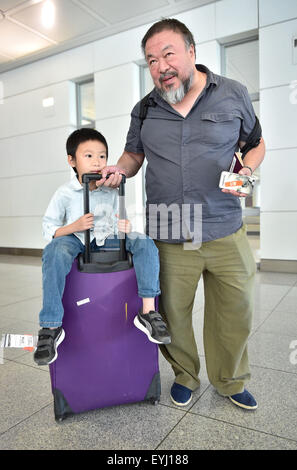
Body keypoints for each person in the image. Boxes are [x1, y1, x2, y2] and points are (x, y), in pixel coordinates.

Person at [98, 19, 266, 410]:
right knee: (171, 312)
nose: (161, 66)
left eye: (168, 53)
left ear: (192, 51)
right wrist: (118, 169)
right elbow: (133, 155)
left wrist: (248, 169)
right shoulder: (144, 109)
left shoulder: (233, 94)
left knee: (235, 310)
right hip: (171, 225)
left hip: (225, 223)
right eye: (152, 60)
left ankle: (230, 379)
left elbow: (256, 143)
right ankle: (186, 375)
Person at [34, 128, 171, 366]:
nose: (97, 161)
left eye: (102, 156)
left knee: (144, 242)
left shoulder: (111, 187)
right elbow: (49, 229)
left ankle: (148, 312)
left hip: (109, 236)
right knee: (55, 250)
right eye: (88, 156)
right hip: (75, 237)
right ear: (72, 161)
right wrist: (74, 225)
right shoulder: (65, 193)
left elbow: (117, 218)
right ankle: (51, 326)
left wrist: (124, 226)